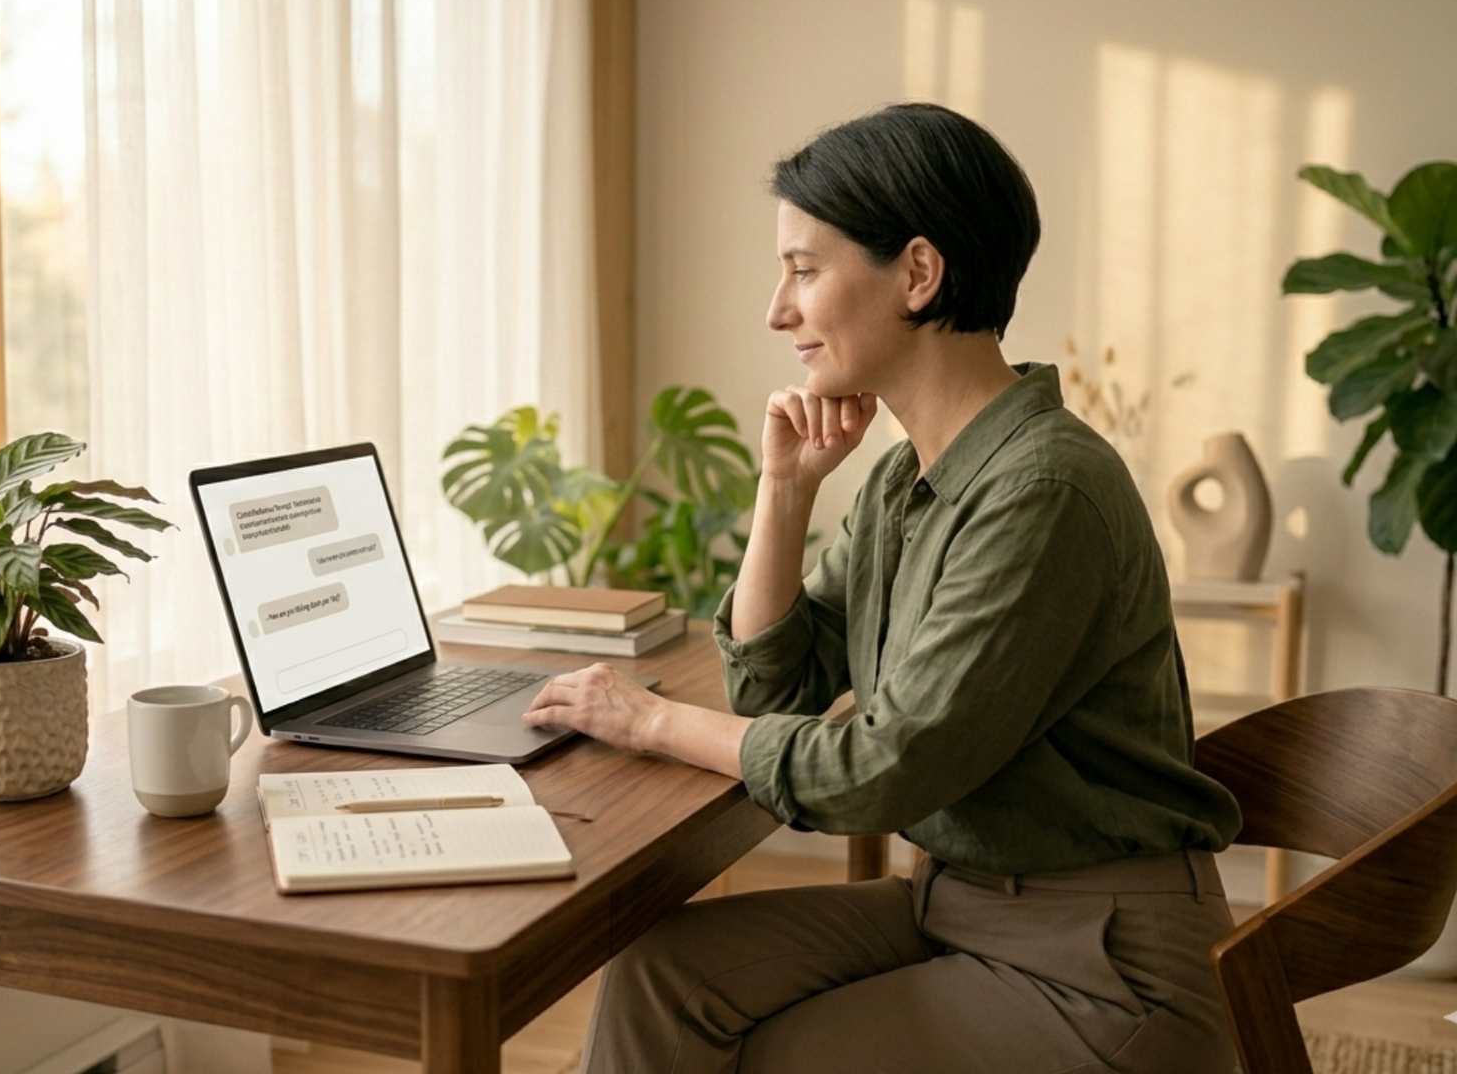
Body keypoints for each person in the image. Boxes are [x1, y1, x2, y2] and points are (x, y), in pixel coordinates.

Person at [522, 102, 1244, 1073]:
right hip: (962, 902)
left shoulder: (1043, 489)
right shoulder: (909, 479)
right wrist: (785, 493)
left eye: (804, 270)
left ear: (917, 273)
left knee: (773, 1055)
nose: (777, 312)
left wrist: (648, 721)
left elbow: (878, 768)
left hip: (1101, 967)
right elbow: (774, 693)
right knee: (663, 971)